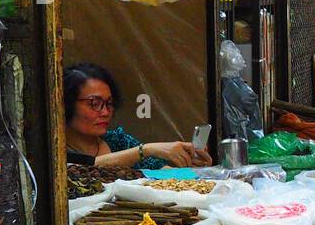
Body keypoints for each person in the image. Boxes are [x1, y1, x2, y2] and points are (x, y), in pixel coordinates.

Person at [64, 63, 212, 171]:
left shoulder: (118, 141)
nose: (105, 112)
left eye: (109, 103)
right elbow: (87, 166)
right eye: (94, 103)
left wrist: (191, 167)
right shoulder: (55, 151)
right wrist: (146, 150)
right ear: (67, 104)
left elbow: (163, 173)